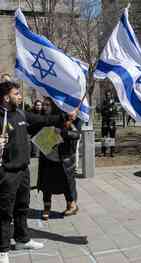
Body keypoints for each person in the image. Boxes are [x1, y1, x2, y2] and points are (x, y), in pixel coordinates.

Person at [0, 82, 77, 263]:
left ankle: (22, 239)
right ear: (5, 97)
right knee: (5, 212)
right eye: (16, 94)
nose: (20, 96)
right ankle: (3, 249)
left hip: (23, 170)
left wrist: (65, 116)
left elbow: (43, 120)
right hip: (7, 173)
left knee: (22, 207)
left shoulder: (20, 113)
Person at [37, 98, 81, 221]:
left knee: (67, 182)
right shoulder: (41, 118)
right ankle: (46, 208)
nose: (44, 107)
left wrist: (63, 132)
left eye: (48, 105)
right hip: (47, 156)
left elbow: (76, 135)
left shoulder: (66, 117)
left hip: (64, 158)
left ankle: (71, 204)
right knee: (46, 184)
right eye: (44, 105)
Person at [101, 90, 117, 157]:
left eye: (109, 95)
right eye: (107, 95)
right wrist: (106, 110)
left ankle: (112, 152)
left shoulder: (113, 104)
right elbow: (101, 111)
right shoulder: (103, 103)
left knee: (112, 137)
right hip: (105, 121)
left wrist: (110, 110)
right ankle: (103, 151)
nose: (108, 96)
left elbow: (115, 112)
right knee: (104, 137)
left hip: (111, 121)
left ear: (111, 96)